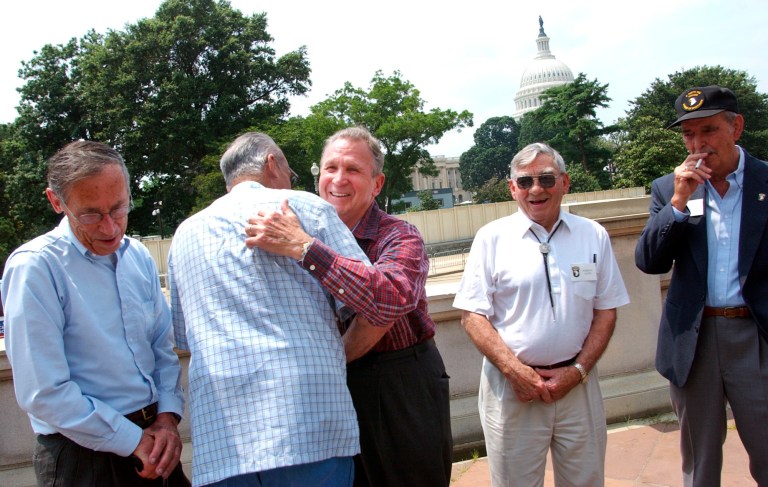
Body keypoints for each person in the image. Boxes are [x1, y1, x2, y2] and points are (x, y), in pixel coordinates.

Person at [245, 127, 453, 486]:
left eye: (353, 170)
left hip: (398, 386)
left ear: (377, 183)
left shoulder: (399, 236)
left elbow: (388, 297)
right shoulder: (290, 230)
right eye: (330, 168)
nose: (338, 179)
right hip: (328, 385)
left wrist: (306, 250)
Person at [168, 132, 373, 487]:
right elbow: (371, 296)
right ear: (271, 163)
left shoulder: (185, 233)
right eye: (290, 172)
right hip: (307, 423)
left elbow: (185, 338)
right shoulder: (305, 207)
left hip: (223, 436)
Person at [1, 140, 187, 486]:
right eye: (91, 214)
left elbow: (161, 349)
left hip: (155, 440)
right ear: (56, 201)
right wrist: (133, 440)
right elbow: (44, 392)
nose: (110, 228)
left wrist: (167, 419)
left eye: (119, 208)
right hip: (83, 457)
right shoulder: (36, 268)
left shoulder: (138, 257)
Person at [453, 142, 629, 486]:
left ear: (564, 182)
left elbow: (606, 311)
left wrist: (577, 371)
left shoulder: (593, 235)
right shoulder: (491, 239)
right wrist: (516, 372)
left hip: (578, 386)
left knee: (586, 481)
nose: (536, 189)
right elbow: (472, 315)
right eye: (525, 181)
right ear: (512, 188)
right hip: (512, 389)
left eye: (547, 179)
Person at [635, 85, 768, 486]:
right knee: (699, 460)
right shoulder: (668, 188)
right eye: (688, 135)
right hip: (694, 340)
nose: (698, 144)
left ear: (736, 127)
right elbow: (649, 261)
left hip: (756, 336)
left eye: (708, 130)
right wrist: (677, 203)